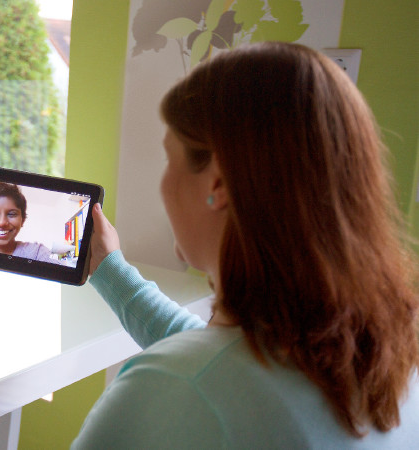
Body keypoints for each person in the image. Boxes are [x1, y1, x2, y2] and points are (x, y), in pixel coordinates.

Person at [73, 42, 419, 448]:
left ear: (216, 183)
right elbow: (222, 362)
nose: (163, 184)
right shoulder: (383, 355)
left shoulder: (168, 390)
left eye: (170, 159)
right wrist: (111, 269)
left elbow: (203, 377)